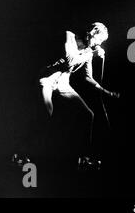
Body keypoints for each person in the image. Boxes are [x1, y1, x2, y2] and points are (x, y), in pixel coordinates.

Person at [12, 22, 119, 169]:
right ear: (92, 33)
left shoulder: (88, 51)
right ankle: (20, 153)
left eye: (101, 42)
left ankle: (83, 158)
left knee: (88, 114)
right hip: (47, 79)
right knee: (46, 114)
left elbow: (87, 77)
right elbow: (69, 60)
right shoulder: (69, 36)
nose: (98, 44)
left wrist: (104, 90)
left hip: (63, 84)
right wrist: (91, 53)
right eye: (99, 40)